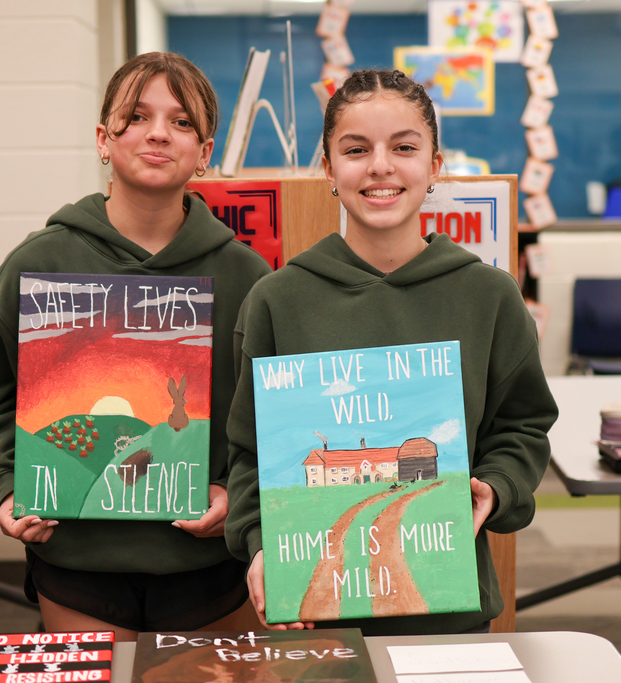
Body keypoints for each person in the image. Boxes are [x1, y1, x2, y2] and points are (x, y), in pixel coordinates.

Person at [223, 69, 558, 635]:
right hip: (317, 613)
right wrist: (261, 547)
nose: (380, 166)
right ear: (328, 169)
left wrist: (494, 488)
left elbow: (523, 427)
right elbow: (250, 453)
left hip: (448, 606)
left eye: (404, 147)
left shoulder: (489, 295)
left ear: (435, 165)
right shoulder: (277, 301)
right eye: (356, 150)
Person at [0, 52, 271, 639]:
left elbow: (270, 423)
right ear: (104, 138)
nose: (157, 132)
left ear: (204, 152)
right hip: (77, 562)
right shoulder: (38, 263)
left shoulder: (248, 276)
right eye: (137, 115)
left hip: (208, 568)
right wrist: (3, 488)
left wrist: (237, 496)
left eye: (181, 121)